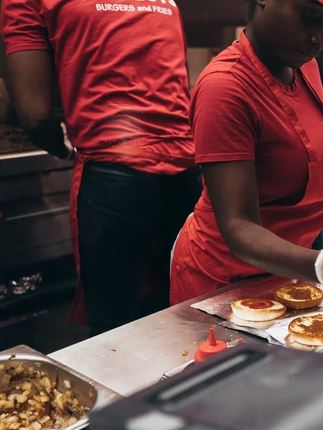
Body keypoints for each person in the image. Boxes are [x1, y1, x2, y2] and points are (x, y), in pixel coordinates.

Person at [170, 0, 323, 304]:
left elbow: (319, 167)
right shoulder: (225, 88)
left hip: (286, 272)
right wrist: (319, 265)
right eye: (311, 17)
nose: (321, 37)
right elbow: (238, 226)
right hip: (224, 283)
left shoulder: (304, 67)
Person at [2, 0, 201, 334]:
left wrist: (63, 146)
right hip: (188, 169)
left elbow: (34, 115)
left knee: (115, 327)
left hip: (115, 173)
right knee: (181, 315)